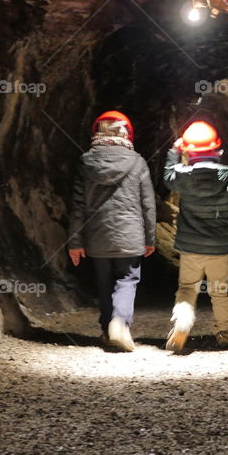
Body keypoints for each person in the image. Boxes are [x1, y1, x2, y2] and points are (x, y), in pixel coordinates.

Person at [67, 110, 156, 352]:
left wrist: (75, 242)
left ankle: (108, 329)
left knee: (103, 282)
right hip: (131, 234)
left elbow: (77, 206)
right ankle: (120, 322)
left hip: (96, 235)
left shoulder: (85, 162)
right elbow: (147, 204)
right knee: (127, 279)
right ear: (127, 133)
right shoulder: (137, 161)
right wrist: (150, 238)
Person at [163, 120, 228, 353]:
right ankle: (223, 332)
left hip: (190, 247)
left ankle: (182, 322)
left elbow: (167, 177)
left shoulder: (183, 176)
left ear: (188, 150)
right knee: (219, 291)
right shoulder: (226, 176)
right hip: (218, 247)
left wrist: (174, 152)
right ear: (217, 148)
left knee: (187, 289)